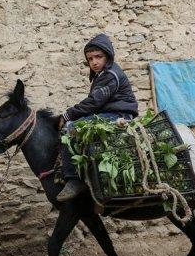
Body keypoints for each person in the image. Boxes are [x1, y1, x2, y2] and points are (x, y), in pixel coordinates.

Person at [57, 34, 139, 201]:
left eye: (98, 57)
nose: (94, 62)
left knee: (71, 128)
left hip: (118, 115)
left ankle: (73, 180)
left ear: (107, 56)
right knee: (75, 125)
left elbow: (94, 102)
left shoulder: (110, 74)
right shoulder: (102, 74)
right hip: (108, 114)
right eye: (90, 58)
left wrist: (67, 114)